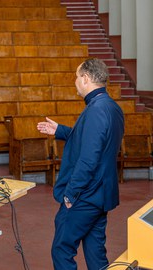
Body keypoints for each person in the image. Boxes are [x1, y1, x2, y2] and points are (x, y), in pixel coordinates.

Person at [37, 58, 124, 270]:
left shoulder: (95, 110)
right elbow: (96, 143)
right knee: (96, 255)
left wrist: (70, 194)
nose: (75, 81)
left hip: (85, 195)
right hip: (101, 195)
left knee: (62, 249)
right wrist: (61, 131)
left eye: (77, 76)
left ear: (85, 78)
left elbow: (89, 159)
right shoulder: (111, 107)